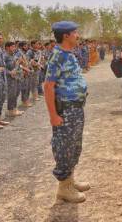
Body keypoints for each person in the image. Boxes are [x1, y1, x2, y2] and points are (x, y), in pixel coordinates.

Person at [44, 21, 90, 203]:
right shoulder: (58, 56)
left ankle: (70, 181)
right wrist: (53, 116)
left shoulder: (68, 54)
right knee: (64, 147)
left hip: (76, 109)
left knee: (74, 146)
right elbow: (48, 86)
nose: (77, 35)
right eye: (75, 32)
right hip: (66, 111)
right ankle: (63, 188)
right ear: (66, 36)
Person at [4, 41, 24, 117]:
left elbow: (17, 66)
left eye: (14, 47)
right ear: (7, 47)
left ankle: (14, 109)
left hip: (16, 77)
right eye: (12, 47)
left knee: (16, 93)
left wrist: (19, 62)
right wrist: (9, 73)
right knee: (11, 94)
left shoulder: (14, 56)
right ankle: (10, 110)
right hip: (9, 78)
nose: (14, 48)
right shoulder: (4, 56)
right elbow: (2, 68)